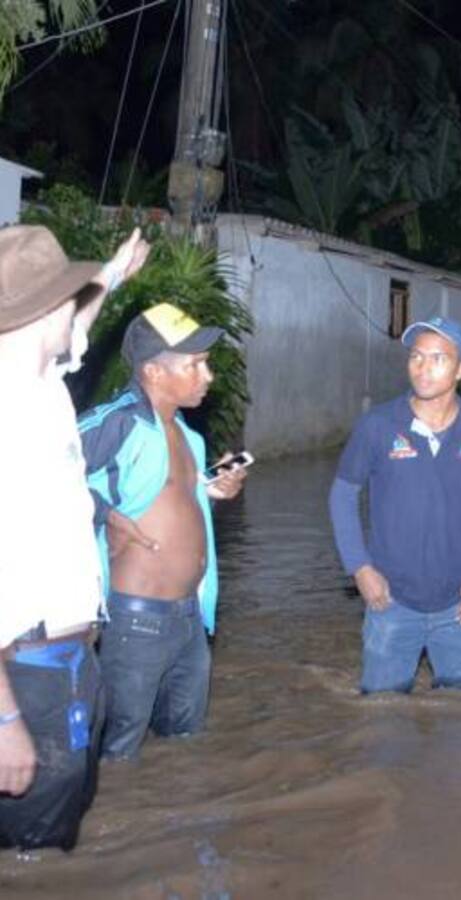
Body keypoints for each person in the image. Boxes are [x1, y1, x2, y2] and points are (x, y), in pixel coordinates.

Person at [0, 224, 148, 850]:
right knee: (29, 856)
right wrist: (5, 720)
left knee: (61, 843)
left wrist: (112, 272)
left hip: (66, 668)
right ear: (45, 310)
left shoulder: (43, 381)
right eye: (69, 293)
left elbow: (76, 328)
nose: (76, 302)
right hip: (24, 679)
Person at [77, 302, 247, 760]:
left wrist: (212, 491)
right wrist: (103, 512)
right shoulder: (118, 420)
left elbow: (167, 502)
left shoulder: (188, 435)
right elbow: (37, 471)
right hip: (136, 621)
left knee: (184, 750)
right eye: (195, 365)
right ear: (153, 371)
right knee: (118, 752)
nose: (208, 375)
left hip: (190, 618)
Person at [329, 316, 461, 694]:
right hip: (390, 599)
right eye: (416, 357)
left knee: (458, 712)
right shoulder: (378, 425)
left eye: (438, 359)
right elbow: (342, 496)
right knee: (383, 712)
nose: (423, 368)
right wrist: (360, 569)